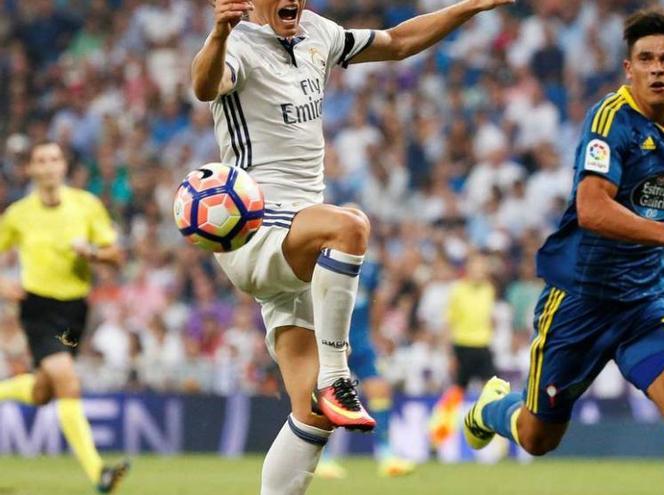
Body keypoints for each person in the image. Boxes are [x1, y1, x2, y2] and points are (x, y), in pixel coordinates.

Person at [191, 1, 512, 493]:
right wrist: (216, 34)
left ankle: (320, 405)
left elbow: (398, 42)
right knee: (351, 226)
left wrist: (470, 6)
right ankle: (338, 375)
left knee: (313, 418)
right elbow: (203, 86)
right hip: (255, 228)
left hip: (298, 248)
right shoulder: (236, 44)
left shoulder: (318, 32)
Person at [463, 10, 664, 495]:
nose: (657, 68)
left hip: (642, 304)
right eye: (646, 59)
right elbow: (592, 209)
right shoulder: (611, 120)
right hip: (580, 299)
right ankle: (491, 408)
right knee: (538, 438)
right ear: (629, 69)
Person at [0, 141, 129, 493]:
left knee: (44, 391)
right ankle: (99, 473)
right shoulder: (18, 214)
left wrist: (92, 253)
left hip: (75, 312)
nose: (49, 166)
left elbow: (116, 257)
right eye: (41, 160)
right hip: (38, 309)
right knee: (68, 382)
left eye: (54, 159)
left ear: (63, 166)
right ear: (31, 170)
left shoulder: (86, 206)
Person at [315, 254, 415, 478]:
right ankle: (322, 456)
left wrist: (376, 333)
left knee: (380, 389)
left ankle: (386, 455)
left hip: (360, 341)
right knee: (329, 394)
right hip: (332, 339)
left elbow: (377, 301)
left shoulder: (369, 268)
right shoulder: (324, 262)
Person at [429, 252, 498, 446]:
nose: (480, 272)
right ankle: (437, 438)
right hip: (463, 347)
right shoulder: (458, 289)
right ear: (468, 269)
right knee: (456, 394)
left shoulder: (488, 289)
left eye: (483, 268)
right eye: (476, 267)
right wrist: (449, 353)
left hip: (483, 347)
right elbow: (449, 322)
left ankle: (497, 441)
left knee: (492, 393)